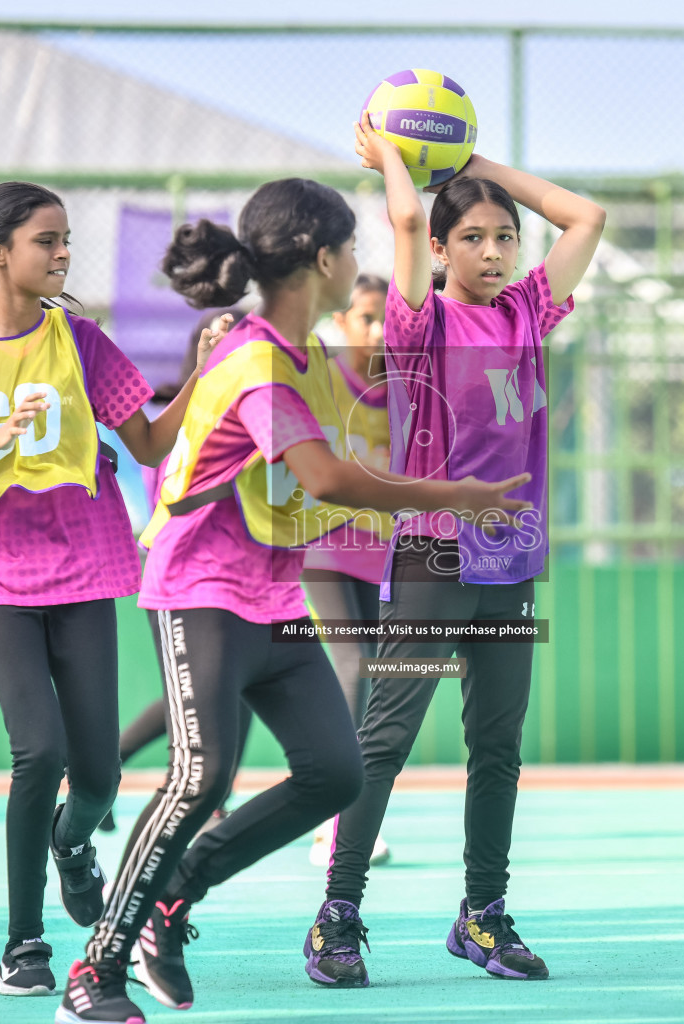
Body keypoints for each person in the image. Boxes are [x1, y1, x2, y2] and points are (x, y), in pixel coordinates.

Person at [54, 176, 533, 1024]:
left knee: (334, 772)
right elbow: (325, 477)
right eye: (353, 250)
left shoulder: (297, 355)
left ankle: (174, 897)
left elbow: (205, 445)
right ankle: (97, 970)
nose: (362, 266)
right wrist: (454, 497)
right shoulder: (259, 359)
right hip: (203, 590)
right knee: (200, 776)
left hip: (272, 593)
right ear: (322, 259)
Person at [0, 180, 218, 998]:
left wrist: (203, 375)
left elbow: (146, 444)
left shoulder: (82, 341)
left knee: (98, 774)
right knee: (38, 751)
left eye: (66, 238)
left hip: (85, 563)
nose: (63, 253)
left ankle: (74, 845)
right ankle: (22, 943)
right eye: (46, 240)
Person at [300, 120, 605, 988]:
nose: (496, 250)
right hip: (435, 559)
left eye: (506, 236)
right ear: (441, 249)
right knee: (384, 739)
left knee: (498, 746)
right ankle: (338, 915)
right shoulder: (419, 323)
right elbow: (400, 225)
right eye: (473, 236)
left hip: (511, 563)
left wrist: (473, 165)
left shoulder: (528, 311)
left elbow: (585, 217)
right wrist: (399, 158)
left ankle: (483, 914)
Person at [100, 307, 251, 837]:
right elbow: (181, 496)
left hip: (239, 574)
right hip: (184, 571)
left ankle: (205, 795)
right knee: (197, 695)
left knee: (230, 689)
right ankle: (121, 774)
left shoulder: (255, 408)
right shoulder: (189, 418)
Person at [301, 274, 393, 868]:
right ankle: (329, 825)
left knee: (379, 681)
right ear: (340, 322)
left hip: (385, 552)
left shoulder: (411, 387)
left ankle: (347, 813)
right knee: (353, 667)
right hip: (324, 546)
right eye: (366, 317)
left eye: (387, 317)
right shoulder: (321, 380)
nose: (380, 330)